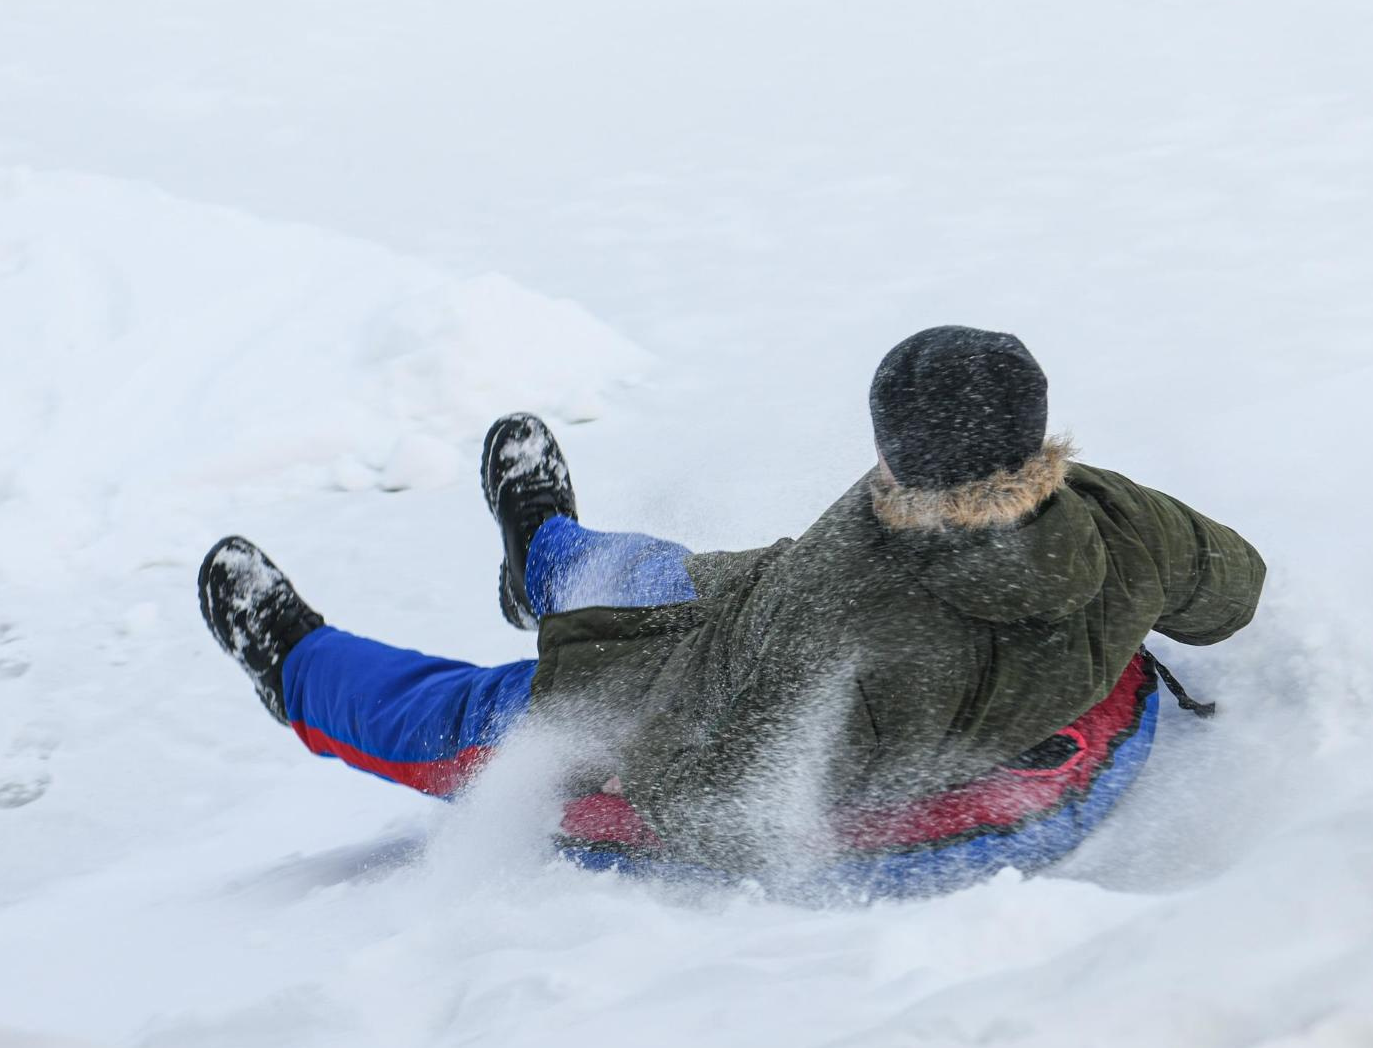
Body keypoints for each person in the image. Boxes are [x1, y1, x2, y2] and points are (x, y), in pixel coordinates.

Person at [199, 325, 1265, 881]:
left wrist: (632, 765)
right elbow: (1232, 592)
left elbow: (717, 804)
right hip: (775, 606)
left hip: (719, 683)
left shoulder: (860, 626)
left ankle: (298, 668)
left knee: (477, 713)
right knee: (674, 575)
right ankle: (547, 560)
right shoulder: (1118, 516)